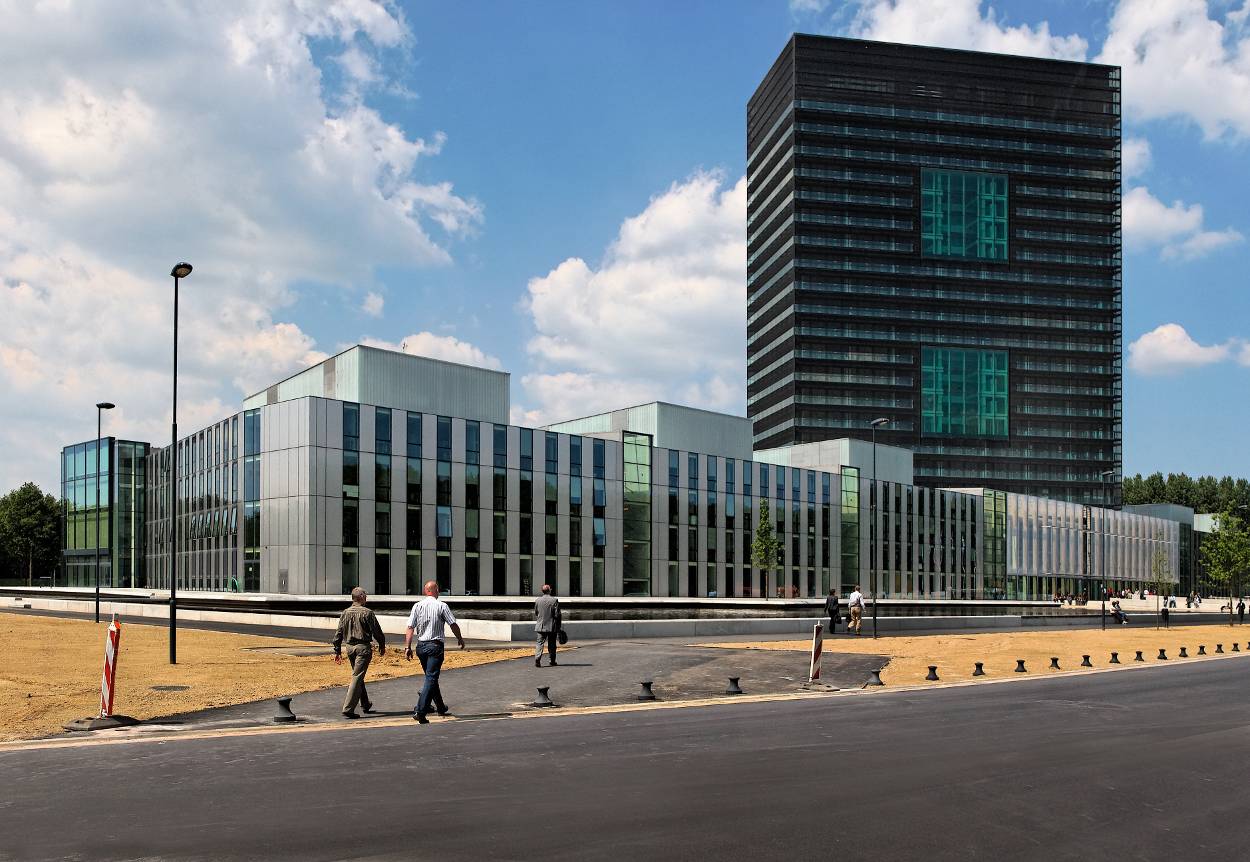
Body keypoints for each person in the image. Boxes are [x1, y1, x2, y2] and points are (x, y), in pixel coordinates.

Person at [404, 580, 465, 724]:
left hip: (421, 646)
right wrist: (460, 638)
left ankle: (441, 707)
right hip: (435, 646)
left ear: (426, 591)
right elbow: (453, 624)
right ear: (436, 590)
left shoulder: (417, 606)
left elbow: (410, 627)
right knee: (431, 678)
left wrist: (407, 647)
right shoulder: (442, 606)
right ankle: (420, 710)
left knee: (430, 677)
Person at [333, 587, 386, 719]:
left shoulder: (345, 613)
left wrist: (337, 650)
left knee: (358, 675)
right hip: (363, 648)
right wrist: (382, 645)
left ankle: (365, 704)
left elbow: (338, 633)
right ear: (361, 597)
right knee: (357, 677)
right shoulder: (368, 613)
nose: (366, 597)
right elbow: (377, 631)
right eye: (365, 595)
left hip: (349, 648)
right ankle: (348, 708)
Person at [534, 584, 562, 667]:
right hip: (551, 626)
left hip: (540, 626)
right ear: (549, 590)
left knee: (539, 643)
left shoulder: (538, 600)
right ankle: (552, 661)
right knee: (552, 644)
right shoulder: (554, 600)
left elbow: (536, 612)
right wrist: (559, 627)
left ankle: (537, 658)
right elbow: (557, 615)